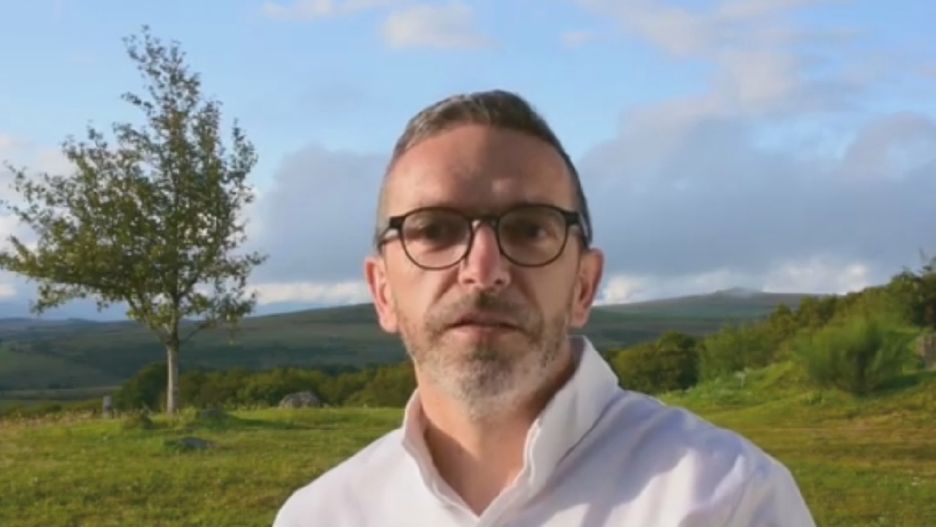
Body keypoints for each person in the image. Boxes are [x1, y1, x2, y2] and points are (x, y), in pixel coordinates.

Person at [273, 90, 816, 526]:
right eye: (433, 230)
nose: (483, 269)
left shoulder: (727, 500)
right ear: (383, 292)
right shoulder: (320, 515)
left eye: (530, 228)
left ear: (584, 285)